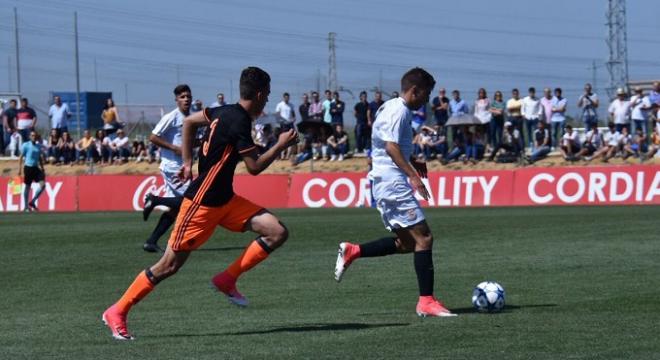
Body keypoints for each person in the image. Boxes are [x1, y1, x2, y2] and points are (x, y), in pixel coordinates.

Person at [102, 66, 299, 340]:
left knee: (277, 231)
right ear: (259, 93)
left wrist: (186, 161)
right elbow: (254, 167)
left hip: (226, 200)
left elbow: (189, 122)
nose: (267, 100)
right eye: (266, 95)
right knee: (168, 265)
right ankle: (117, 311)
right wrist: (280, 145)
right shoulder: (238, 120)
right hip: (202, 205)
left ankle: (227, 279)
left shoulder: (221, 111)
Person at [333, 67, 455, 318]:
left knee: (408, 243)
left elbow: (384, 145)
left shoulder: (391, 108)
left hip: (385, 180)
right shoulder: (399, 110)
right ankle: (427, 302)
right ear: (415, 90)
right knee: (424, 238)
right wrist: (412, 176)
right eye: (426, 93)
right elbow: (390, 147)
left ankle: (353, 251)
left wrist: (413, 163)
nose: (426, 99)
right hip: (393, 182)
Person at [141, 84, 193, 253]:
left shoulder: (191, 118)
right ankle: (155, 200)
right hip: (173, 167)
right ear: (176, 100)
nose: (186, 99)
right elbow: (153, 137)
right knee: (190, 201)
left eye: (188, 96)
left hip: (182, 166)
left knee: (175, 209)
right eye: (182, 97)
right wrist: (174, 148)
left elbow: (188, 142)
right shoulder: (172, 117)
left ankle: (151, 241)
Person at [18, 131, 46, 211]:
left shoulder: (38, 146)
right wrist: (20, 169)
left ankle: (33, 201)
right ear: (30, 137)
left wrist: (42, 167)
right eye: (32, 135)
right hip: (28, 167)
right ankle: (26, 206)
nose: (34, 137)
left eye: (35, 135)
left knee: (43, 185)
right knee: (27, 186)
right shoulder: (26, 145)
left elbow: (39, 157)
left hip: (36, 168)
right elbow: (21, 157)